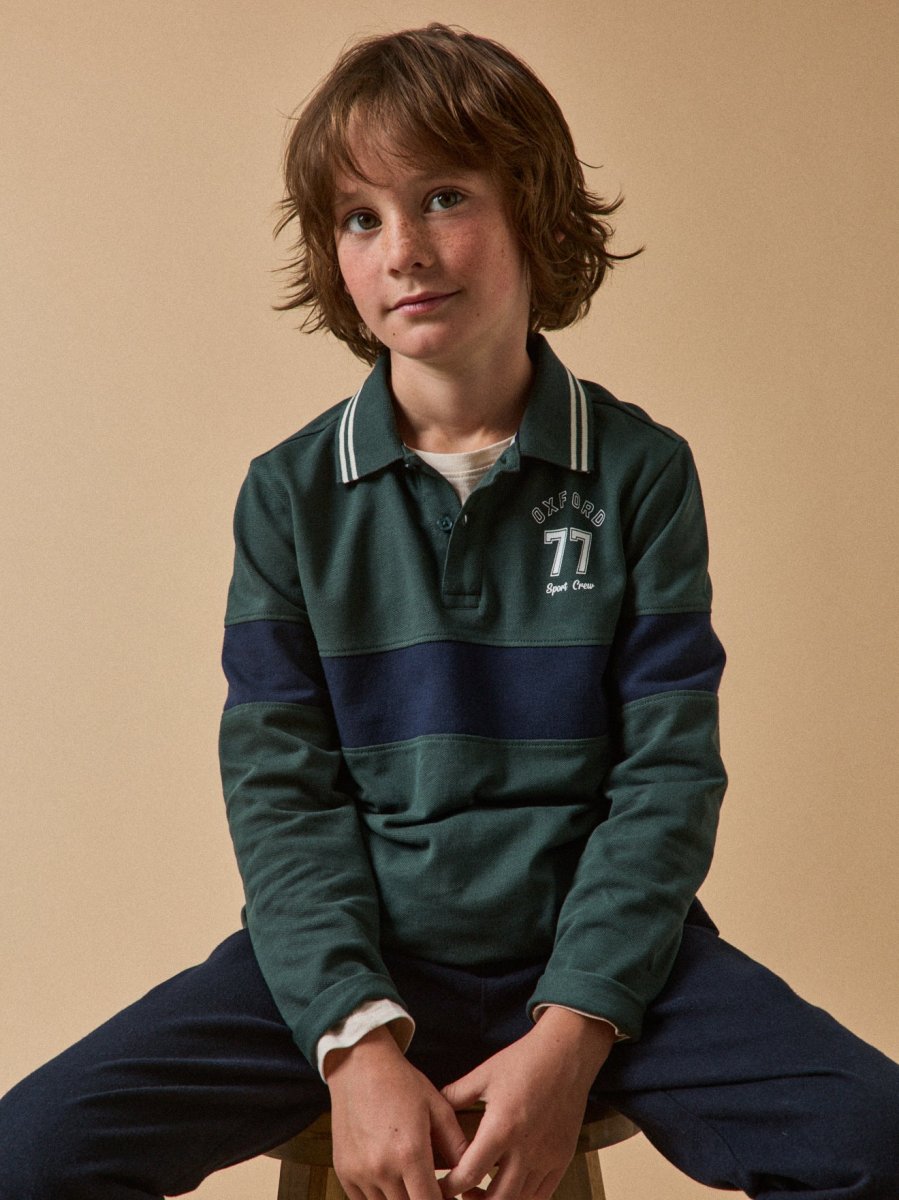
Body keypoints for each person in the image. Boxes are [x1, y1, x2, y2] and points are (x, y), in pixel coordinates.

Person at [1, 23, 898, 1200]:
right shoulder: (288, 495)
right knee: (28, 1156)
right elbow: (281, 794)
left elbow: (666, 780)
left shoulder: (640, 473)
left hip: (600, 957)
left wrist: (570, 1035)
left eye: (442, 197)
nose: (404, 251)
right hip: (357, 953)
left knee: (875, 1141)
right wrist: (354, 1042)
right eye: (359, 218)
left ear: (535, 214)